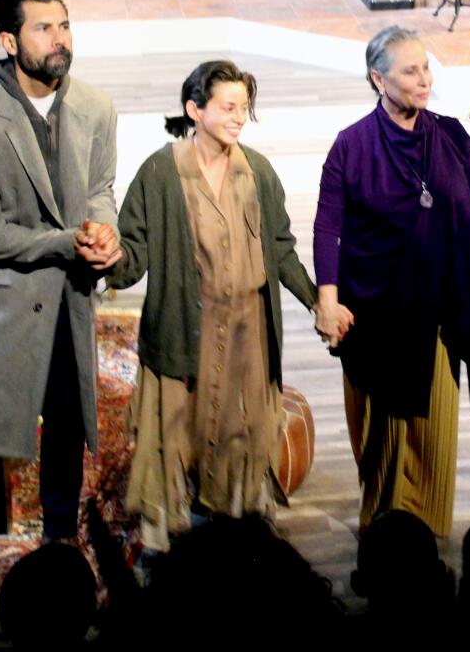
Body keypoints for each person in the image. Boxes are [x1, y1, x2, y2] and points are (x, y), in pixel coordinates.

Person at [0, 0, 120, 613]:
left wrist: (104, 230)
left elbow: (101, 187)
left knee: (67, 417)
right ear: (9, 41)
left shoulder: (96, 107)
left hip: (65, 290)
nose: (59, 39)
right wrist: (68, 241)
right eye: (44, 28)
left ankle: (57, 540)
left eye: (65, 24)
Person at [106, 60, 318, 552]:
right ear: (194, 110)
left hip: (247, 335)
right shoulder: (161, 172)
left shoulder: (257, 172)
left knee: (242, 440)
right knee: (175, 439)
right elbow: (132, 251)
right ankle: (169, 557)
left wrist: (315, 302)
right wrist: (107, 258)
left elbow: (280, 247)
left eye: (244, 107)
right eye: (228, 107)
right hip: (185, 330)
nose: (239, 116)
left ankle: (238, 544)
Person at [314, 26, 470, 538]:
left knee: (432, 434)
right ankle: (382, 534)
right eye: (410, 71)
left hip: (440, 306)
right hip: (377, 313)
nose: (424, 79)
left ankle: (426, 535)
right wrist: (326, 300)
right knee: (381, 435)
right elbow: (327, 226)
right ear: (379, 79)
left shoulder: (449, 134)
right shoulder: (351, 146)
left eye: (426, 68)